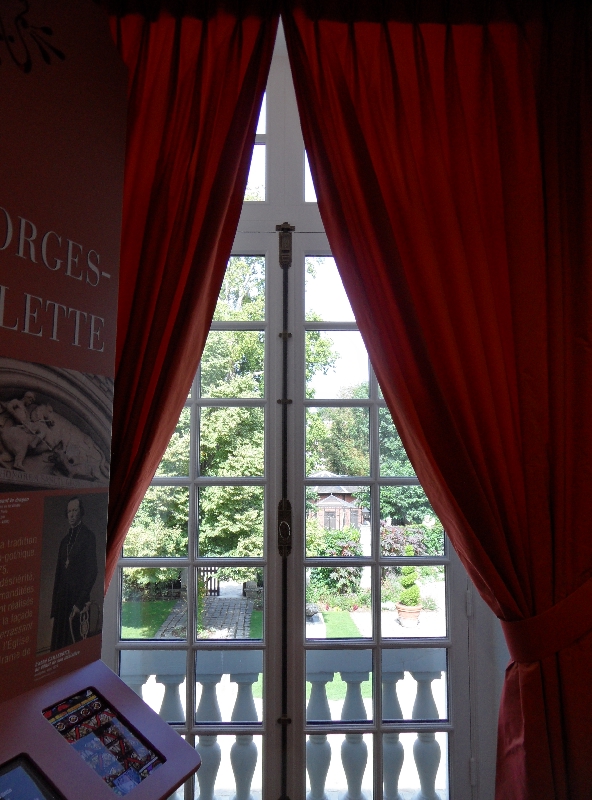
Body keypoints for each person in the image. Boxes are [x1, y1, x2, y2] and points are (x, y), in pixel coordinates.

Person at [50, 496, 98, 651]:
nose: (71, 514)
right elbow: (58, 576)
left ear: (81, 512)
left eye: (75, 510)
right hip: (62, 603)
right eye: (69, 511)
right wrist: (54, 610)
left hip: (78, 602)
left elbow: (92, 571)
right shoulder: (64, 541)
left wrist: (79, 602)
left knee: (76, 647)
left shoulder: (88, 537)